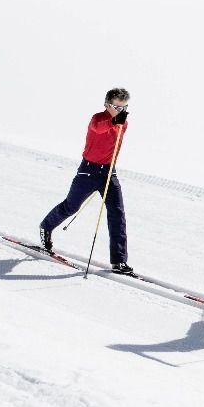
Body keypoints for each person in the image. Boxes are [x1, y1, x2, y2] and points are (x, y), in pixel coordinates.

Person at [39, 88, 135, 275]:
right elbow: (100, 129)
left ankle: (119, 261)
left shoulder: (123, 122)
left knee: (117, 214)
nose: (121, 111)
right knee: (71, 206)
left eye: (124, 107)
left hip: (108, 172)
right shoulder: (98, 119)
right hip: (88, 171)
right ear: (107, 104)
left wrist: (118, 121)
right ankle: (46, 226)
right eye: (117, 107)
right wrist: (113, 121)